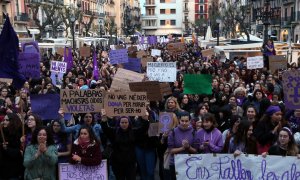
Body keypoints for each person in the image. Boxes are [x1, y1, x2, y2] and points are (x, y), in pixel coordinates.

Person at [101, 115, 149, 180]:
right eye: (122, 122)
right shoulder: (114, 132)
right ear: (119, 123)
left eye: (126, 122)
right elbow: (106, 129)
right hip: (117, 162)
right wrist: (104, 120)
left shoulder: (133, 132)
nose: (124, 124)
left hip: (130, 163)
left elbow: (143, 129)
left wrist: (146, 120)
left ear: (129, 123)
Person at [166, 111, 197, 180]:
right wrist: (183, 148)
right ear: (179, 120)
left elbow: (195, 151)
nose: (184, 123)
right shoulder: (173, 132)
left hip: (189, 163)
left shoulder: (194, 132)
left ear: (190, 121)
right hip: (175, 163)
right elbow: (170, 150)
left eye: (186, 121)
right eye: (182, 121)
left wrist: (188, 147)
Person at [0, 113, 24, 180]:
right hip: (3, 168)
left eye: (7, 120)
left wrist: (7, 149)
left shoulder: (19, 134)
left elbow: (19, 151)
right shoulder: (2, 132)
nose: (4, 121)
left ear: (13, 121)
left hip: (14, 169)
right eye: (4, 120)